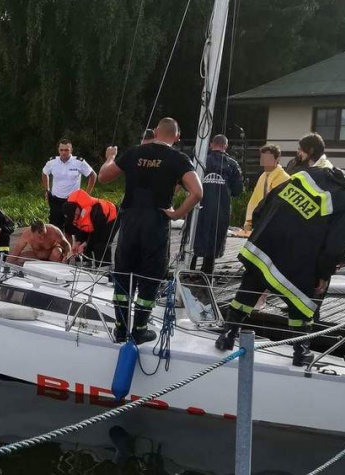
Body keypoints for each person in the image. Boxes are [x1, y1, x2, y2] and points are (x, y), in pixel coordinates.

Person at [215, 138, 345, 366]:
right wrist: (323, 275)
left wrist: (261, 231)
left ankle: (227, 336)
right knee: (301, 300)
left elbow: (264, 204)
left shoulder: (311, 174)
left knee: (250, 286)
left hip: (266, 242)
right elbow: (336, 247)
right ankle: (300, 351)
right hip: (297, 255)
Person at [98, 118, 203, 344]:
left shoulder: (135, 152)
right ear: (176, 137)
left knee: (124, 275)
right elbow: (197, 192)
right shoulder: (178, 159)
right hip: (156, 222)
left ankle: (120, 328)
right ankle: (140, 329)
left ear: (155, 132)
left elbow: (103, 177)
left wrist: (110, 157)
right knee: (149, 276)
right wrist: (177, 214)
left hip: (130, 221)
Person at [191, 135, 243, 275]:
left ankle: (189, 268)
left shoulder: (200, 161)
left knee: (193, 234)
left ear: (211, 144)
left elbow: (187, 184)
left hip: (198, 204)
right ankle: (207, 273)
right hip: (221, 207)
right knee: (215, 238)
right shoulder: (232, 164)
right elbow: (238, 190)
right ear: (226, 146)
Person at [41, 139, 96, 229]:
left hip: (72, 201)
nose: (64, 153)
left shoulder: (79, 162)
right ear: (58, 150)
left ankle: (69, 243)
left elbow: (93, 175)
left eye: (66, 150)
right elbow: (44, 173)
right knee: (54, 228)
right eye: (61, 150)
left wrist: (86, 194)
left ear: (71, 150)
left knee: (69, 230)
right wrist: (47, 189)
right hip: (56, 200)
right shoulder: (52, 162)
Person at [62, 189, 118, 267]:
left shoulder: (95, 210)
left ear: (77, 210)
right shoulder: (75, 213)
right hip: (95, 226)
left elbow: (97, 234)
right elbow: (82, 229)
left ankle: (105, 271)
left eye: (74, 216)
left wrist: (84, 245)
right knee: (83, 246)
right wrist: (78, 242)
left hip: (110, 219)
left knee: (100, 246)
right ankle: (85, 264)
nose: (74, 219)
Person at [244, 144, 290, 232]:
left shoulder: (285, 179)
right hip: (261, 221)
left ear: (277, 159)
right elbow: (255, 200)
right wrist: (249, 221)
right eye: (263, 158)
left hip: (276, 224)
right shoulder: (263, 176)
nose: (265, 161)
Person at [8, 219, 72, 265]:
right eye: (39, 236)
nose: (42, 237)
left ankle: (56, 268)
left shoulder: (54, 231)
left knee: (57, 252)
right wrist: (8, 263)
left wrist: (66, 257)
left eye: (44, 234)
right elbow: (17, 250)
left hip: (53, 256)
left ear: (45, 228)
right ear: (32, 233)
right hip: (37, 256)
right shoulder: (27, 235)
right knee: (20, 259)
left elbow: (66, 245)